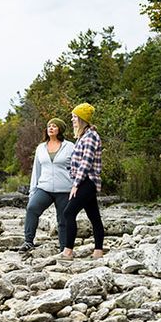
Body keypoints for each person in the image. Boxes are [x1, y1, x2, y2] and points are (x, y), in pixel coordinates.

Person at [19, 118, 74, 253]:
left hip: (65, 189)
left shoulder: (70, 147)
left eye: (54, 126)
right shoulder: (41, 148)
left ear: (60, 129)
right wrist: (33, 191)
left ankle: (64, 249)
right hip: (44, 188)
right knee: (32, 208)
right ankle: (28, 242)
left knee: (63, 220)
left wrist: (75, 186)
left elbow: (76, 168)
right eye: (49, 126)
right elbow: (36, 170)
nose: (51, 128)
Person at [60, 103, 104, 260]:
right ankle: (98, 251)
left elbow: (86, 162)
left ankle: (68, 251)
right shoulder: (83, 137)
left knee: (68, 212)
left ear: (82, 119)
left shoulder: (91, 137)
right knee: (94, 216)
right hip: (86, 181)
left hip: (87, 181)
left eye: (74, 117)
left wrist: (76, 184)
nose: (72, 120)